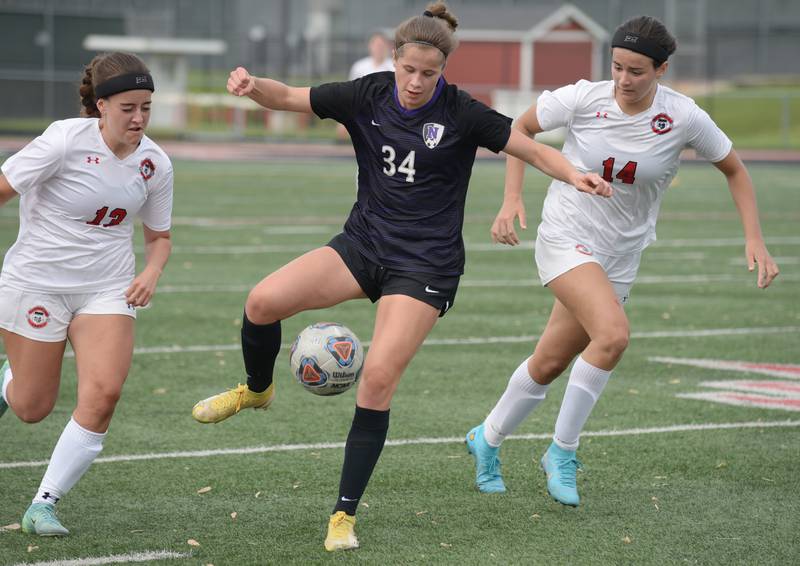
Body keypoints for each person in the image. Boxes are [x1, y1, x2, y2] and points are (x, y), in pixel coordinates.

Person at [190, 2, 610, 552]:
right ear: (393, 61)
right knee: (262, 301)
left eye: (428, 73)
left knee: (378, 378)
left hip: (425, 266)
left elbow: (528, 148)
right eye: (407, 70)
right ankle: (258, 390)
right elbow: (290, 97)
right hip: (363, 245)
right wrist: (250, 86)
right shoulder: (367, 94)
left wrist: (575, 174)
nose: (415, 82)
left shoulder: (462, 112)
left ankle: (343, 515)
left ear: (443, 70)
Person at [464, 15, 780, 506]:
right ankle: (561, 452)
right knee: (612, 336)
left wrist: (754, 238)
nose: (624, 80)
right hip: (567, 235)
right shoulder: (583, 98)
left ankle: (486, 438)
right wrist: (511, 198)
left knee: (550, 361)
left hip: (620, 254)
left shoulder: (684, 116)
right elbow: (517, 130)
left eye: (637, 71)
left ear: (662, 70)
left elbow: (735, 170)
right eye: (617, 67)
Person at [0, 51, 173, 536]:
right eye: (128, 108)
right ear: (100, 105)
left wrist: (152, 272)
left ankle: (44, 504)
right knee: (32, 407)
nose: (139, 118)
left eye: (147, 107)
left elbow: (159, 237)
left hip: (106, 288)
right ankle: (8, 379)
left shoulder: (156, 163)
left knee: (104, 393)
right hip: (37, 283)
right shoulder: (61, 141)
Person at [337, 32, 395, 140]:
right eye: (376, 45)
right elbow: (351, 93)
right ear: (370, 46)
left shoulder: (394, 67)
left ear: (387, 47)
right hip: (362, 109)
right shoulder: (359, 67)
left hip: (386, 111)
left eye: (381, 45)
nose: (379, 49)